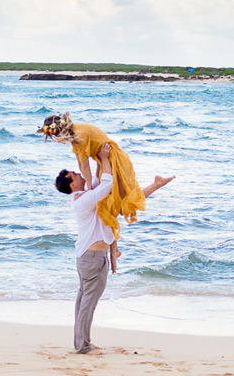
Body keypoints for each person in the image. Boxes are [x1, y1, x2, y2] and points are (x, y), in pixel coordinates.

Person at [54, 142, 173, 354]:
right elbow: (106, 184)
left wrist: (99, 158)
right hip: (92, 258)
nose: (79, 175)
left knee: (84, 301)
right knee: (87, 303)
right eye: (75, 175)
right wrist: (106, 159)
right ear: (72, 185)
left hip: (88, 257)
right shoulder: (84, 200)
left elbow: (97, 176)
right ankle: (83, 346)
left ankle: (82, 342)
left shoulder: (85, 195)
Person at [40, 111, 149, 271]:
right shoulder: (75, 135)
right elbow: (80, 162)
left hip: (112, 158)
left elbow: (84, 166)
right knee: (108, 206)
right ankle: (114, 251)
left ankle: (114, 251)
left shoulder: (79, 135)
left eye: (56, 135)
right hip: (104, 158)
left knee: (116, 203)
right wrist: (90, 189)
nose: (58, 139)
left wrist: (89, 190)